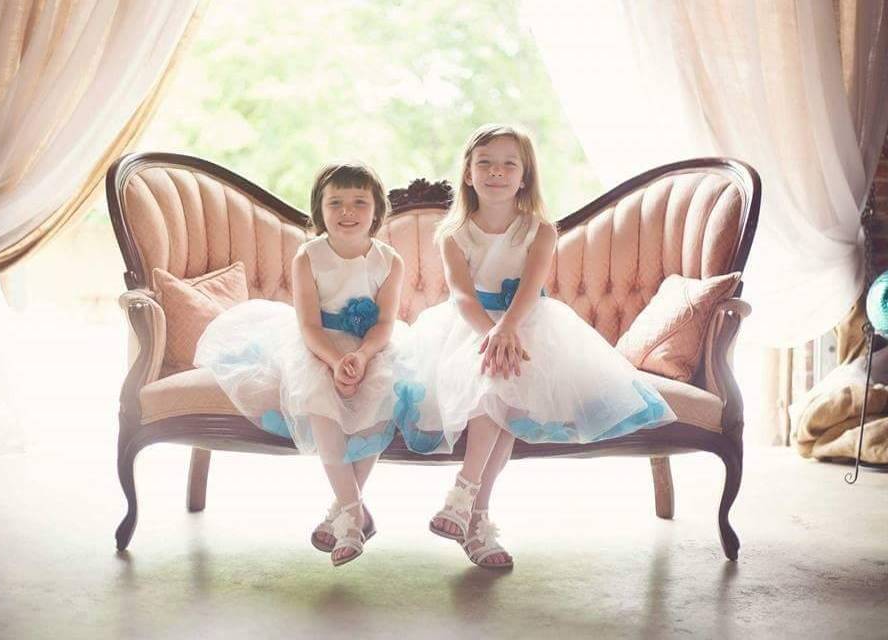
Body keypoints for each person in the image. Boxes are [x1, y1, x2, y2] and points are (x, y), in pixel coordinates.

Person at [400, 124, 675, 568]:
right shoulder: (453, 233)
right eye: (485, 163)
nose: (496, 172)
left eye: (510, 164)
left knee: (504, 384)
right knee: (496, 385)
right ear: (468, 174)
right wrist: (492, 333)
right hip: (470, 327)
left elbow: (529, 291)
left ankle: (463, 498)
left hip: (528, 323)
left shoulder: (540, 230)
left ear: (525, 176)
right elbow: (463, 296)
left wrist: (507, 329)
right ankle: (477, 520)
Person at [194, 162, 405, 567]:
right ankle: (353, 514)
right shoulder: (309, 256)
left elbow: (385, 324)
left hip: (369, 346)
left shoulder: (388, 261)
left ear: (376, 210)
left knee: (383, 394)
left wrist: (360, 357)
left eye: (359, 202)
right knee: (317, 398)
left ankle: (344, 513)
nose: (347, 212)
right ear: (320, 210)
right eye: (336, 203)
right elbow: (307, 324)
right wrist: (333, 359)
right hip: (317, 344)